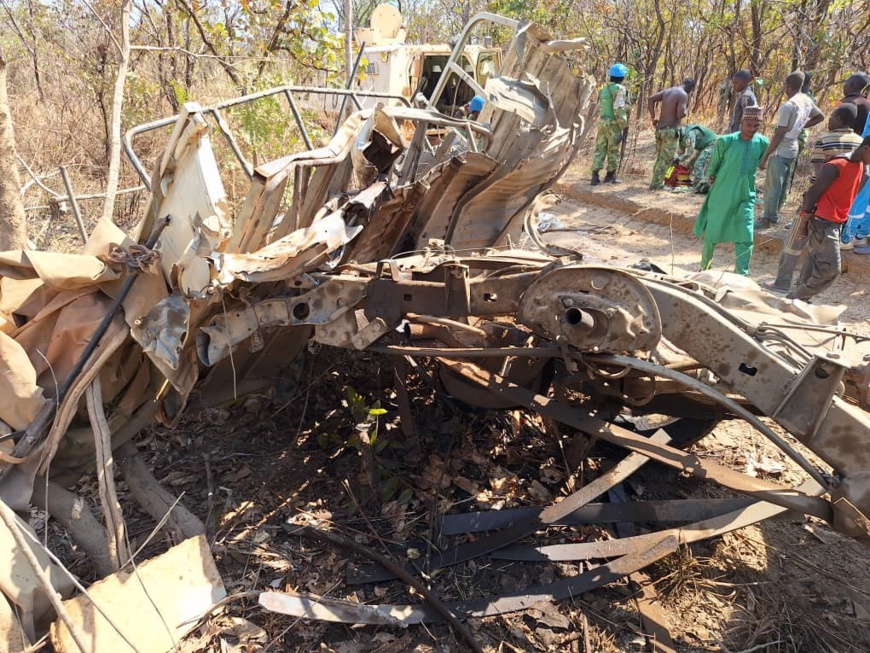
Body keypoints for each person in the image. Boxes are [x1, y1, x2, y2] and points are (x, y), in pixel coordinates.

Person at [763, 104, 863, 292]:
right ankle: (801, 287)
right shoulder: (860, 143)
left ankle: (782, 283)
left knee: (794, 241)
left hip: (816, 201)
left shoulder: (824, 140)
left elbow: (818, 176)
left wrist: (809, 203)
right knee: (816, 249)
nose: (829, 120)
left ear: (839, 119)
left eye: (832, 117)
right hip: (838, 206)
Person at [786, 136, 870, 301]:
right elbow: (811, 195)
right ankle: (794, 298)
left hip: (835, 222)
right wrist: (804, 222)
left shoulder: (860, 166)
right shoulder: (837, 166)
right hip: (823, 222)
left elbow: (851, 193)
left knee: (813, 263)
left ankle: (797, 302)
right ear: (867, 149)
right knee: (831, 270)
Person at [693, 106, 769, 275]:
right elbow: (714, 165)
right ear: (741, 122)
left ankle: (742, 273)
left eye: (756, 125)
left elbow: (762, 164)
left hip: (746, 195)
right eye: (748, 124)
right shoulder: (726, 141)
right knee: (713, 233)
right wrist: (711, 177)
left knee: (746, 234)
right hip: (722, 194)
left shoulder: (763, 143)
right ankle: (705, 268)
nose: (751, 129)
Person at [757, 71, 824, 229]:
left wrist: (765, 156)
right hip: (794, 146)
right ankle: (774, 214)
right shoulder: (806, 100)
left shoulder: (788, 106)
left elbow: (779, 133)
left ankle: (768, 218)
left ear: (788, 86)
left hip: (781, 149)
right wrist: (800, 127)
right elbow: (820, 116)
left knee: (773, 184)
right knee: (783, 183)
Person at [648, 79, 696, 190]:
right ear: (691, 88)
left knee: (660, 158)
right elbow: (680, 114)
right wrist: (687, 108)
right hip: (671, 131)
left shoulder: (668, 91)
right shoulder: (683, 95)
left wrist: (653, 117)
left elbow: (651, 99)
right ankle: (656, 185)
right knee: (666, 159)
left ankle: (656, 182)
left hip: (660, 129)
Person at [591, 63, 630, 185]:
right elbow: (619, 108)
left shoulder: (604, 89)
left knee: (600, 149)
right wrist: (624, 125)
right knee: (613, 150)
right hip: (613, 124)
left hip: (603, 123)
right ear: (622, 76)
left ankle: (595, 176)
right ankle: (610, 176)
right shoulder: (619, 89)